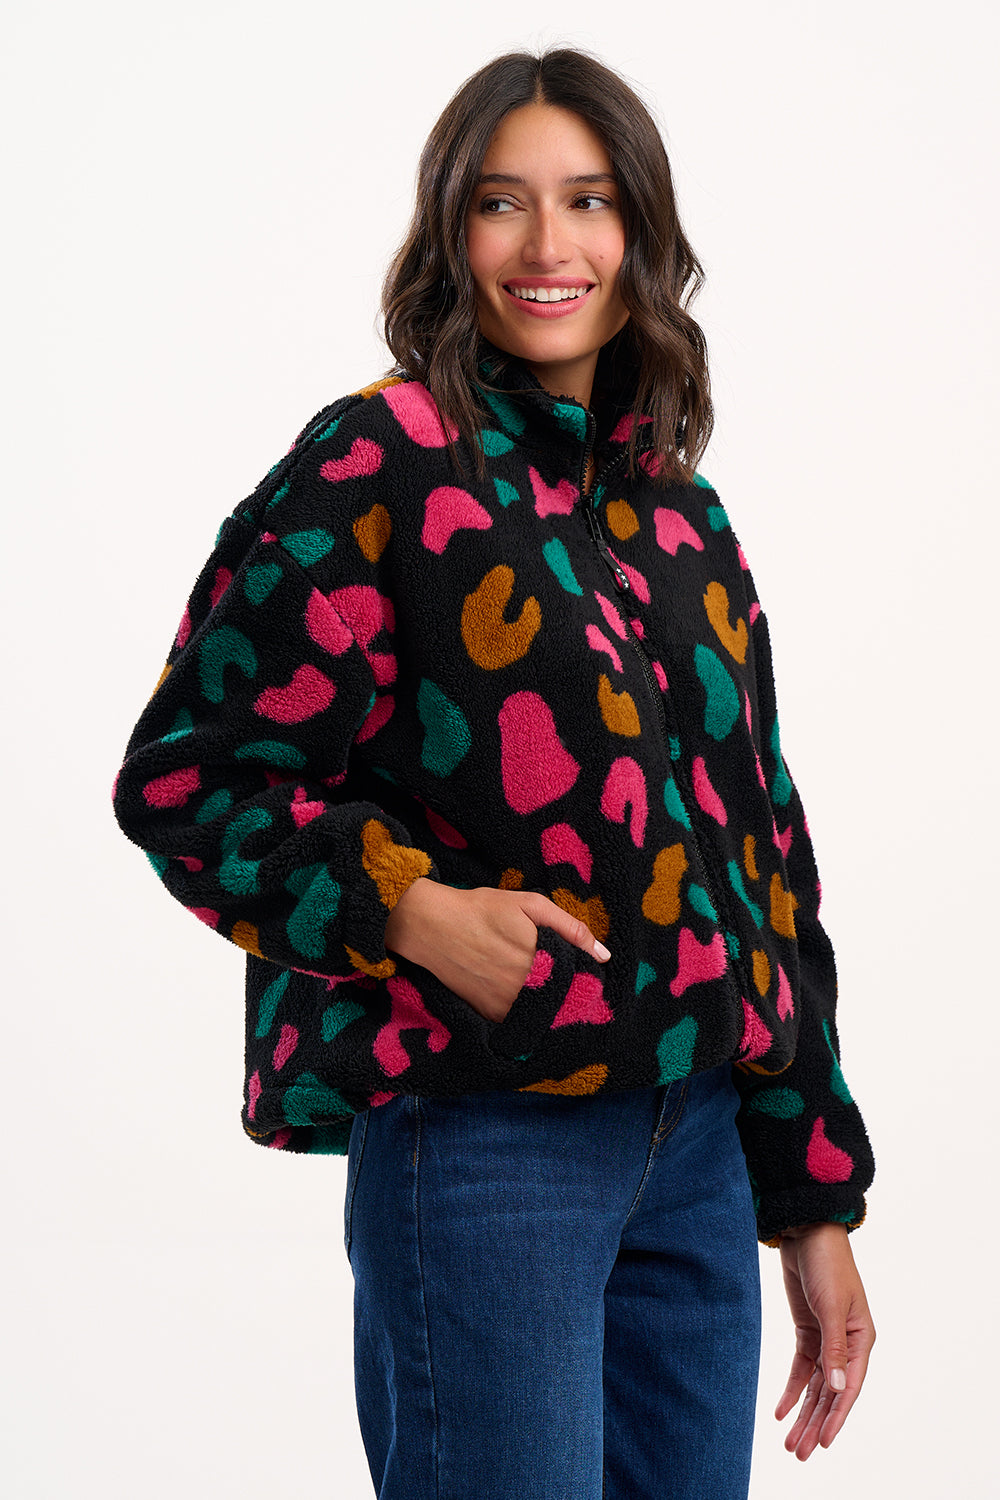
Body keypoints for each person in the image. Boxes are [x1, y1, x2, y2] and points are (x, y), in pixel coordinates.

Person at [112, 47, 876, 1500]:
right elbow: (189, 778)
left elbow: (765, 865)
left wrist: (813, 1200)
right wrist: (408, 908)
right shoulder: (376, 465)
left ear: (641, 237)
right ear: (449, 232)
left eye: (588, 203)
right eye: (502, 204)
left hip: (702, 1142)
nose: (549, 246)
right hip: (486, 1141)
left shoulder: (682, 516)